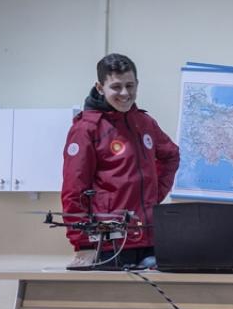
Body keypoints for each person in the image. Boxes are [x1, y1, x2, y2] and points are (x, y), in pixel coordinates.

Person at [62, 53, 180, 269]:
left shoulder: (145, 122)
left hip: (150, 238)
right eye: (116, 87)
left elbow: (171, 155)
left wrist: (153, 195)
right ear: (100, 88)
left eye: (130, 85)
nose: (125, 93)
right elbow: (74, 191)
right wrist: (83, 243)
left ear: (137, 84)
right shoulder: (86, 129)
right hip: (109, 243)